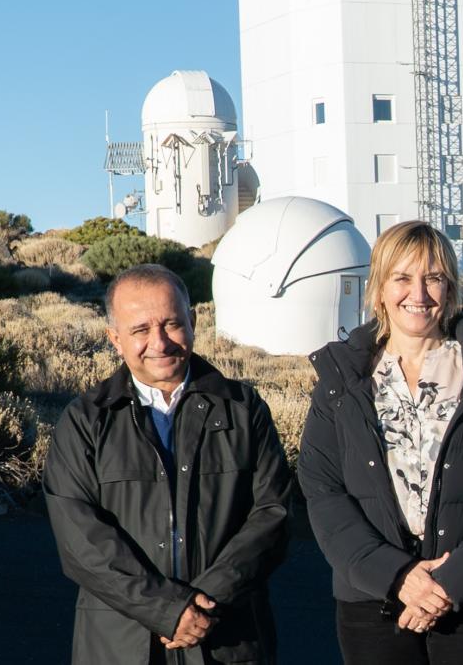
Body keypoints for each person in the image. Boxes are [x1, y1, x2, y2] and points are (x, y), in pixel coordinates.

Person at [298, 220, 463, 665]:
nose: (419, 293)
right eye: (403, 278)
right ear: (380, 288)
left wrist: (451, 582)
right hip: (372, 601)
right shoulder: (343, 380)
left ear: (449, 289)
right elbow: (323, 491)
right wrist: (398, 576)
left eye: (433, 278)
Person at [44, 263, 294, 664]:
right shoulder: (87, 420)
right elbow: (81, 539)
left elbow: (273, 514)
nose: (159, 342)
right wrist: (166, 609)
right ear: (115, 339)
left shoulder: (243, 410)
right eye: (140, 330)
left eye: (172, 324)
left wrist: (205, 604)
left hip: (227, 639)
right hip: (120, 644)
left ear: (193, 322)